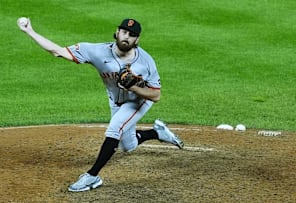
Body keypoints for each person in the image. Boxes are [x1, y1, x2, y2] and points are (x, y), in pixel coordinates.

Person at [17, 17, 184, 192]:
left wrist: (133, 87)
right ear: (117, 32)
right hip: (116, 102)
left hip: (138, 101)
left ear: (137, 40)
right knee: (127, 146)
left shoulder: (146, 61)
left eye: (132, 35)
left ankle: (92, 176)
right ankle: (157, 132)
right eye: (124, 32)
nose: (126, 37)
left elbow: (155, 95)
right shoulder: (96, 51)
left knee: (115, 128)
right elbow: (58, 51)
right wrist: (30, 31)